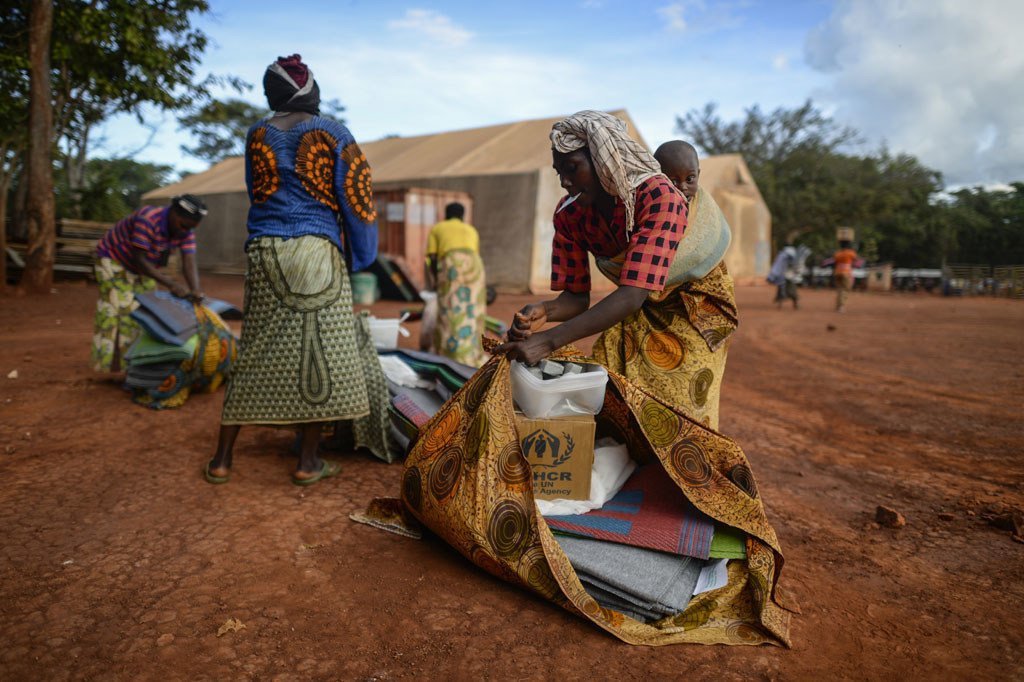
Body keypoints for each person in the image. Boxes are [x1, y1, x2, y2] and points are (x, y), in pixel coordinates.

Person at [205, 54, 386, 486]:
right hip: (316, 252)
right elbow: (357, 199)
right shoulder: (333, 133)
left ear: (274, 94)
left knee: (254, 352)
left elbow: (258, 191)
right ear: (311, 91)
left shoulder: (258, 133)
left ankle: (222, 461)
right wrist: (360, 256)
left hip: (264, 252)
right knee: (318, 350)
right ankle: (307, 462)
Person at [498, 115, 737, 429]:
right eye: (560, 172)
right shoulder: (569, 215)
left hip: (694, 310)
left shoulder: (658, 197)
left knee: (681, 405)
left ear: (603, 162)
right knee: (617, 397)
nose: (565, 182)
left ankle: (682, 474)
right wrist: (544, 310)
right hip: (638, 304)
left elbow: (632, 295)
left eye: (573, 169)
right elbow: (576, 297)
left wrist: (546, 342)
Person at [90, 194, 207, 372]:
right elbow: (140, 259)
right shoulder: (148, 219)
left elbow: (189, 261)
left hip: (143, 267)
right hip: (114, 260)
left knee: (148, 309)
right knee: (119, 308)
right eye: (183, 226)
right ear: (174, 213)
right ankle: (113, 367)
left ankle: (136, 362)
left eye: (189, 228)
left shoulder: (185, 230)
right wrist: (171, 284)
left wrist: (195, 290)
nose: (184, 231)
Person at [424, 202, 487, 366]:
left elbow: (432, 257)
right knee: (473, 307)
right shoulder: (471, 230)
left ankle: (449, 352)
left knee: (450, 307)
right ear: (462, 216)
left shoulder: (438, 228)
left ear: (446, 214)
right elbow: (474, 254)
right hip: (475, 265)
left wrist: (435, 279)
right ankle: (473, 353)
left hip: (452, 264)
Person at [767, 233, 810, 310]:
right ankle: (786, 305)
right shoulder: (786, 254)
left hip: (787, 275)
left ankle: (790, 305)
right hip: (786, 275)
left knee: (789, 290)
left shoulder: (784, 254)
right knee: (785, 291)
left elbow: (793, 263)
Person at [832, 239, 859, 312]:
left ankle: (839, 306)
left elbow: (835, 262)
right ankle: (841, 306)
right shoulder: (851, 253)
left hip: (837, 272)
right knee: (846, 289)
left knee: (840, 290)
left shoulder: (837, 253)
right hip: (846, 273)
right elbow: (856, 260)